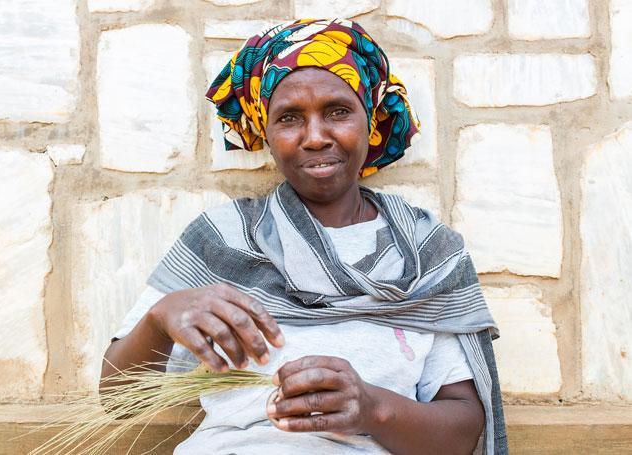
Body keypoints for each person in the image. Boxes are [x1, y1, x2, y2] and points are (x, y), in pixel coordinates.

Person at [101, 18, 506, 455]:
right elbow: (115, 400)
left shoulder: (427, 256)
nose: (315, 138)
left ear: (369, 122)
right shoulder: (221, 242)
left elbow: (463, 430)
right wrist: (161, 318)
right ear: (267, 132)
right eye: (290, 118)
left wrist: (373, 409)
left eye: (337, 111)